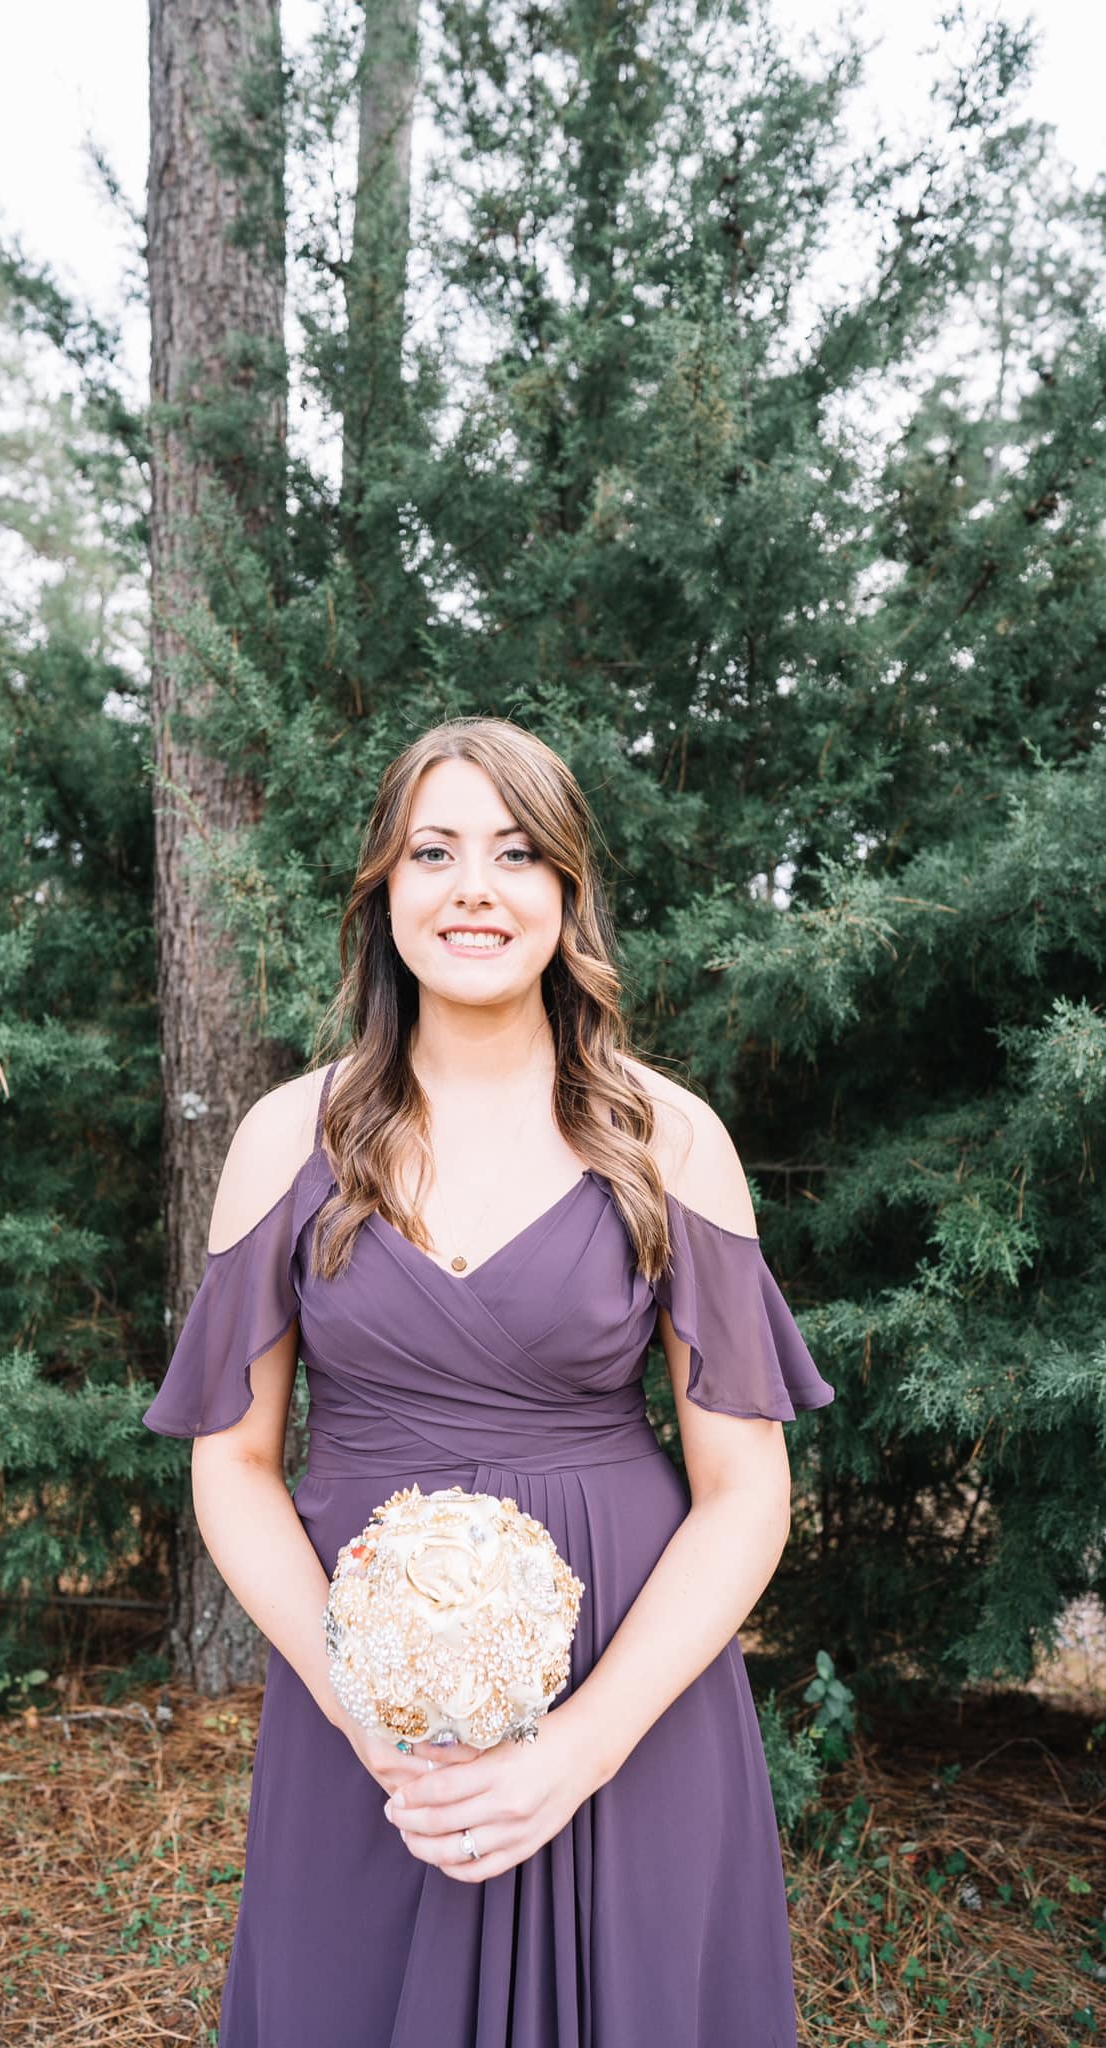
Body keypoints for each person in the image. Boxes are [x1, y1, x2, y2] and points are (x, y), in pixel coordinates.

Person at [144, 716, 836, 2047]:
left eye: (517, 853)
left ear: (566, 891)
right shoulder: (288, 1137)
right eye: (434, 852)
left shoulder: (667, 1139)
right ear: (384, 889)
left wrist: (575, 1750)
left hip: (630, 1694)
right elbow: (232, 1462)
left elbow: (747, 1492)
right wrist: (370, 1713)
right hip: (363, 1713)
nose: (475, 888)